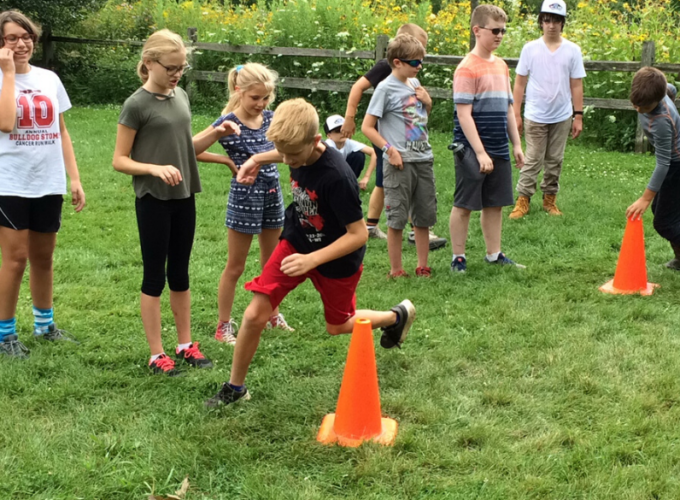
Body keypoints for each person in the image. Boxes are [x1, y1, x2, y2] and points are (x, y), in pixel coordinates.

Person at [205, 98, 415, 407]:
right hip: (297, 242)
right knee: (254, 314)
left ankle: (395, 317)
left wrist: (312, 260)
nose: (287, 161)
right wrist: (258, 159)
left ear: (316, 141)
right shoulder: (294, 150)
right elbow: (285, 150)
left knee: (338, 325)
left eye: (293, 155)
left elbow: (358, 235)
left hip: (336, 258)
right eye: (282, 153)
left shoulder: (337, 177)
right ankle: (235, 388)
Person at [112, 29, 239, 375]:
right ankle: (156, 354)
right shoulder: (136, 104)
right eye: (171, 67)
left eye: (181, 67)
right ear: (149, 63)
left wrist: (216, 132)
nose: (177, 74)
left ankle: (185, 345)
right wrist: (153, 168)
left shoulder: (180, 96)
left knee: (180, 273)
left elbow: (186, 148)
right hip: (153, 198)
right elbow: (119, 159)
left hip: (184, 197)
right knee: (155, 276)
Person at [0, 10, 85, 359]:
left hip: (47, 181)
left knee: (44, 259)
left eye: (26, 36)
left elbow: (61, 131)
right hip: (10, 182)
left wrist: (74, 177)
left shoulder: (49, 78)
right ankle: (5, 335)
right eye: (11, 38)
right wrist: (7, 73)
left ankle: (44, 325)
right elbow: (6, 123)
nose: (21, 44)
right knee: (15, 260)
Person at [194, 63, 293, 346]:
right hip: (245, 198)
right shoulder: (228, 121)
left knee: (271, 262)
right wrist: (225, 158)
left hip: (272, 194)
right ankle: (223, 326)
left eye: (265, 99)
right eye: (255, 98)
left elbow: (286, 150)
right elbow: (190, 149)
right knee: (235, 266)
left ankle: (273, 314)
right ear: (239, 91)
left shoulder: (271, 119)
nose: (260, 105)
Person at [342, 23, 446, 250]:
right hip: (387, 134)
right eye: (416, 57)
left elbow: (416, 111)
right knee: (394, 180)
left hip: (407, 132)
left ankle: (372, 224)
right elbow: (358, 87)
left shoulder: (411, 77)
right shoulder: (384, 68)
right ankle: (415, 229)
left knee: (384, 180)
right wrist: (350, 117)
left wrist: (427, 102)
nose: (420, 63)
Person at [449, 4, 525, 273]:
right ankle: (458, 257)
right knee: (465, 204)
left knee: (495, 204)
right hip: (471, 149)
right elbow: (464, 115)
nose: (500, 35)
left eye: (503, 30)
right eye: (495, 30)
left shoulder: (502, 66)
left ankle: (494, 253)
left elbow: (507, 108)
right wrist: (480, 152)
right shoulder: (466, 68)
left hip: (499, 147)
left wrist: (516, 144)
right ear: (477, 30)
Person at [362, 34, 436, 278]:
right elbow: (367, 127)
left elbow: (421, 117)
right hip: (399, 163)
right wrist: (389, 150)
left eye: (421, 62)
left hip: (423, 159)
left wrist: (428, 102)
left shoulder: (415, 84)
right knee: (397, 218)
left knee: (423, 217)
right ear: (397, 62)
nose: (420, 67)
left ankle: (422, 265)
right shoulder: (384, 89)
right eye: (415, 62)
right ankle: (396, 269)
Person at [509, 0, 585, 219]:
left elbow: (576, 84)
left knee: (555, 159)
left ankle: (549, 200)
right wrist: (516, 113)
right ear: (541, 22)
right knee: (532, 158)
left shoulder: (572, 50)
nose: (551, 25)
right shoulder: (530, 49)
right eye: (547, 20)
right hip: (535, 114)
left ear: (562, 23)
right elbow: (520, 83)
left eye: (556, 21)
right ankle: (523, 200)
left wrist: (578, 116)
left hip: (561, 115)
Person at [626, 67, 680, 270]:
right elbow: (671, 89)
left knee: (664, 222)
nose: (638, 109)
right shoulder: (661, 90)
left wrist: (645, 198)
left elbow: (664, 163)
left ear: (657, 100)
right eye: (635, 104)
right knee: (664, 212)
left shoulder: (662, 121)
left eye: (644, 106)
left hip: (676, 165)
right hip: (674, 164)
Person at [323, 114, 376, 190]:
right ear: (329, 135)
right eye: (338, 131)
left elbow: (374, 152)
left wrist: (366, 177)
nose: (342, 133)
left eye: (343, 129)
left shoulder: (348, 142)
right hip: (329, 177)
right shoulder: (327, 147)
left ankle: (350, 185)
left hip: (341, 172)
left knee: (359, 155)